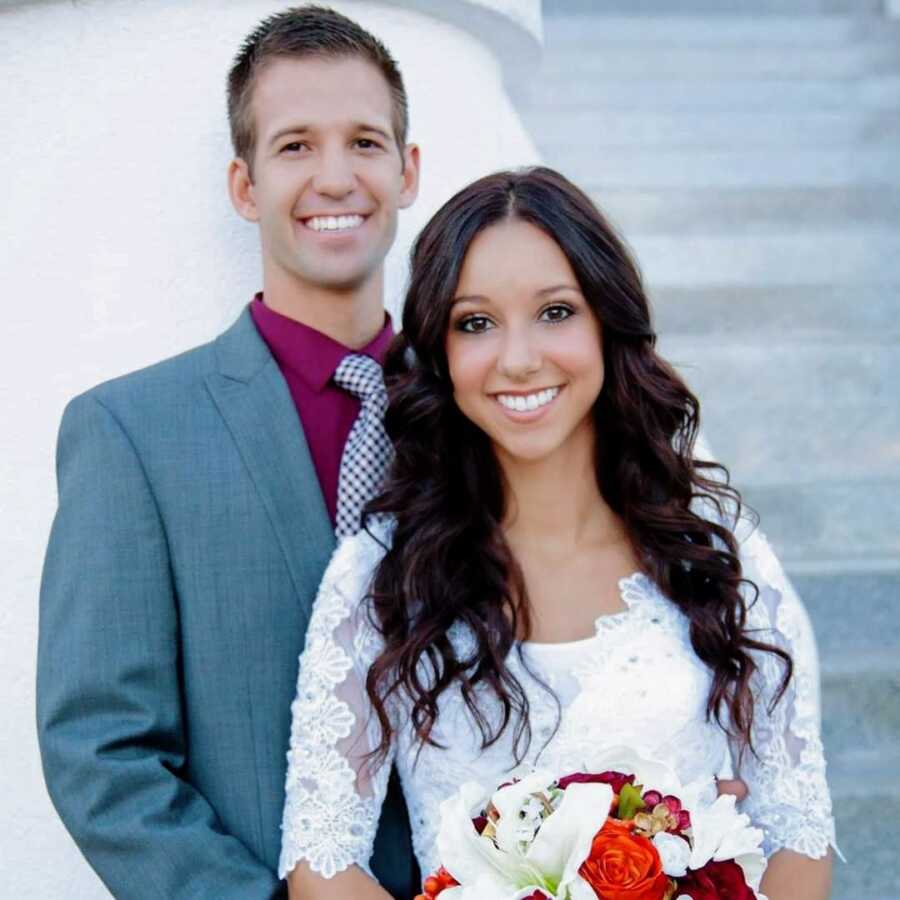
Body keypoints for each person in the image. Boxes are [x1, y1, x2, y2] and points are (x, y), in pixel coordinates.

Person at [279, 167, 838, 900]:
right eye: (475, 322)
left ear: (608, 320)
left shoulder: (716, 547)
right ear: (441, 352)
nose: (518, 359)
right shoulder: (379, 577)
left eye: (555, 312)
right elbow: (323, 856)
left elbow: (798, 826)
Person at [36, 7, 420, 898]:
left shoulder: (487, 417)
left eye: (364, 142)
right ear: (245, 187)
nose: (335, 177)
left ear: (405, 173)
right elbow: (101, 753)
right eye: (295, 147)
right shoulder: (132, 433)